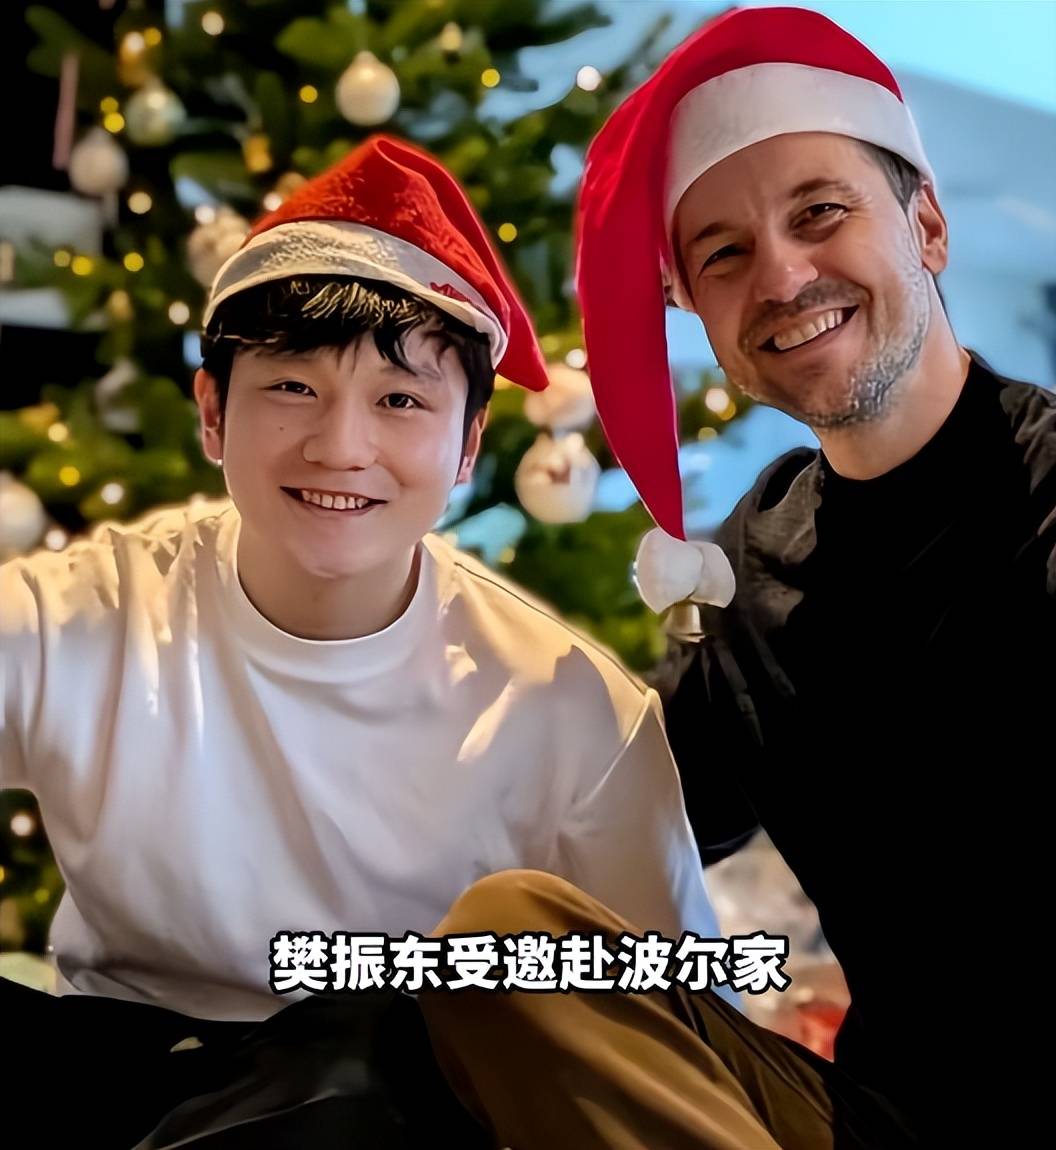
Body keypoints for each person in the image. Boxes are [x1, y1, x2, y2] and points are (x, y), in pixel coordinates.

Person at [403, 6, 1056, 1148]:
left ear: (927, 225)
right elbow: (622, 814)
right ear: (689, 307)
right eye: (724, 255)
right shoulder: (756, 561)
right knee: (506, 931)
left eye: (820, 213)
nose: (785, 276)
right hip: (872, 1121)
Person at [0, 134, 718, 1147]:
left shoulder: (567, 709)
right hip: (115, 1081)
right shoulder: (83, 615)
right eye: (292, 387)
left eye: (400, 401)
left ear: (468, 444)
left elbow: (681, 1023)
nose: (341, 447)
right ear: (213, 412)